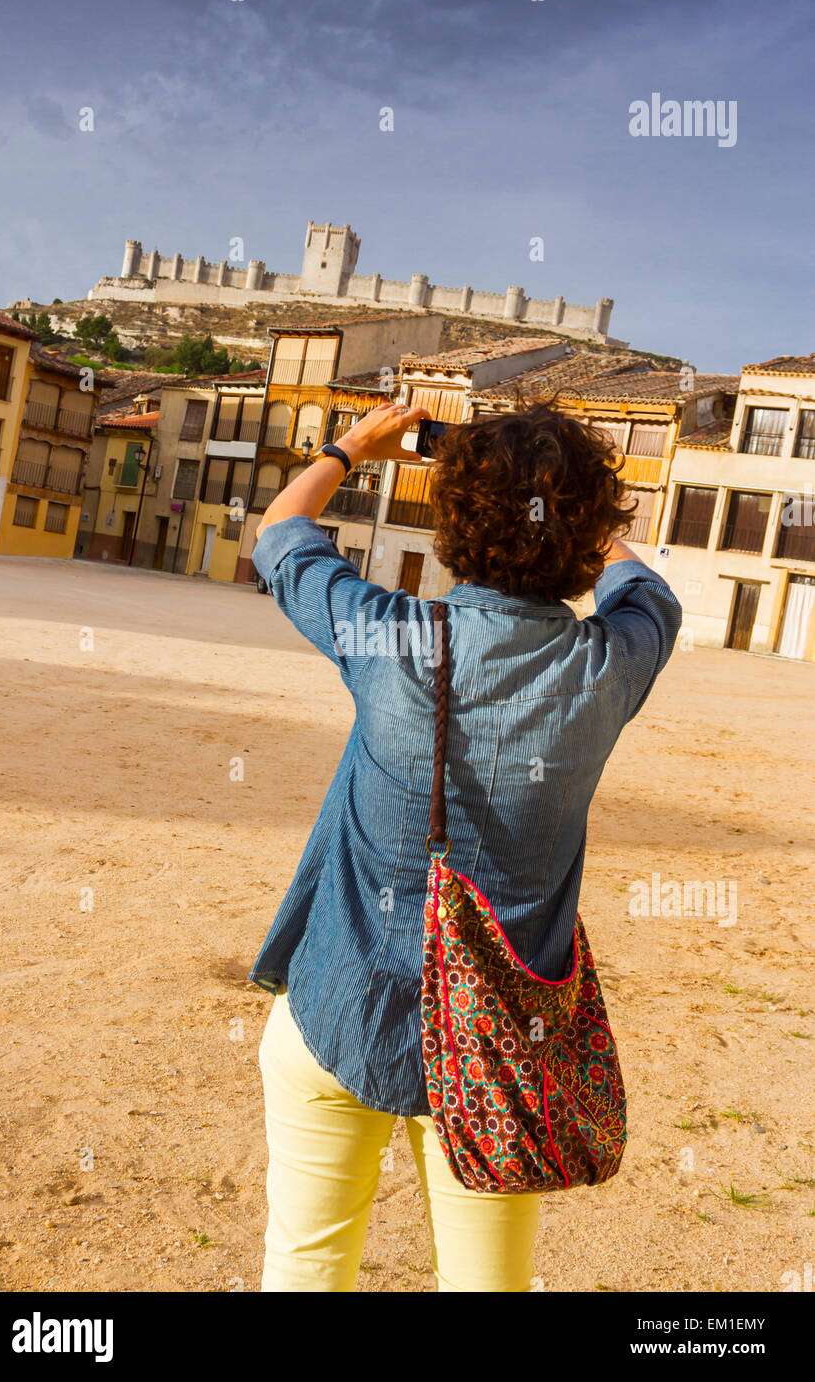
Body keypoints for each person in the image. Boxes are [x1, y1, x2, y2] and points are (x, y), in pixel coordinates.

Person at [248, 399, 682, 1292]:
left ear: (453, 521)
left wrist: (349, 449)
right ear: (589, 526)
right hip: (497, 1043)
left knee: (305, 1263)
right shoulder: (609, 666)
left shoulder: (388, 640)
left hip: (340, 1005)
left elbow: (281, 535)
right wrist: (572, 511)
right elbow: (650, 593)